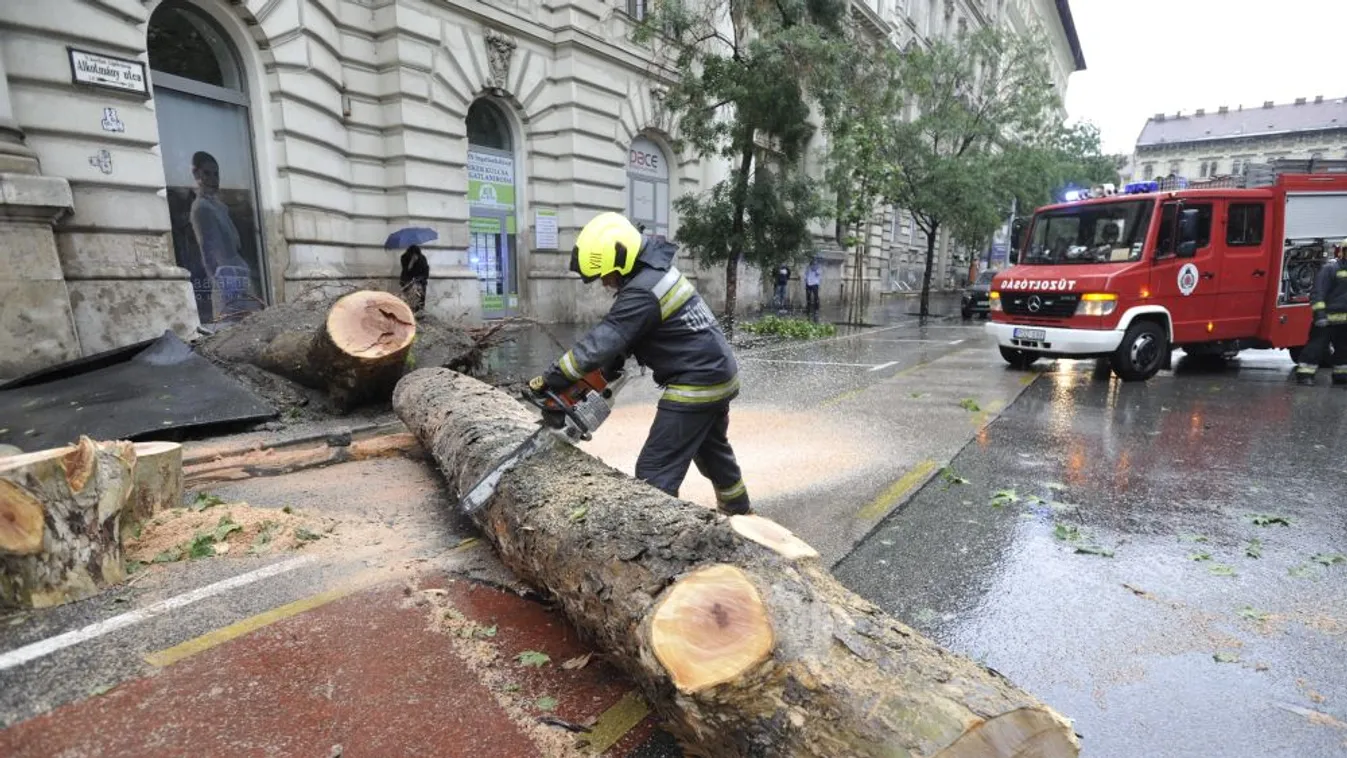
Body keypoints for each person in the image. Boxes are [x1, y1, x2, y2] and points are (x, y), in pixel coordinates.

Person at [529, 212, 750, 514]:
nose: (605, 284)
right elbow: (627, 341)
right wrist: (600, 374)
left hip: (696, 382)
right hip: (718, 373)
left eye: (605, 275)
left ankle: (657, 536)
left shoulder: (643, 292)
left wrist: (554, 377)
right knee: (711, 451)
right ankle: (739, 512)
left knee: (654, 470)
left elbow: (601, 343)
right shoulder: (654, 277)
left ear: (621, 260)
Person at [189, 150, 257, 320]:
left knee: (251, 320)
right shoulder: (202, 208)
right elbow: (208, 249)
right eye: (207, 173)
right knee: (232, 321)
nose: (213, 179)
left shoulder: (219, 206)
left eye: (216, 174)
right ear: (196, 174)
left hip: (237, 271)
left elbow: (234, 242)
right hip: (225, 276)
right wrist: (218, 279)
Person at [1296, 239, 1347, 386]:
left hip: (1345, 322)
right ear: (1342, 252)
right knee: (1316, 347)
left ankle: (1341, 374)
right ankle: (1305, 374)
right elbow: (1318, 293)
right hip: (1327, 319)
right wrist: (1320, 315)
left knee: (1344, 349)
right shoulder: (1331, 269)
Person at [400, 244, 430, 313]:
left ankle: (419, 312)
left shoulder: (422, 258)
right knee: (408, 300)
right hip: (407, 282)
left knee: (420, 300)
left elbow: (426, 273)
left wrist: (419, 279)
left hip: (420, 282)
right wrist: (412, 262)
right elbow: (406, 271)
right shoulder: (404, 257)